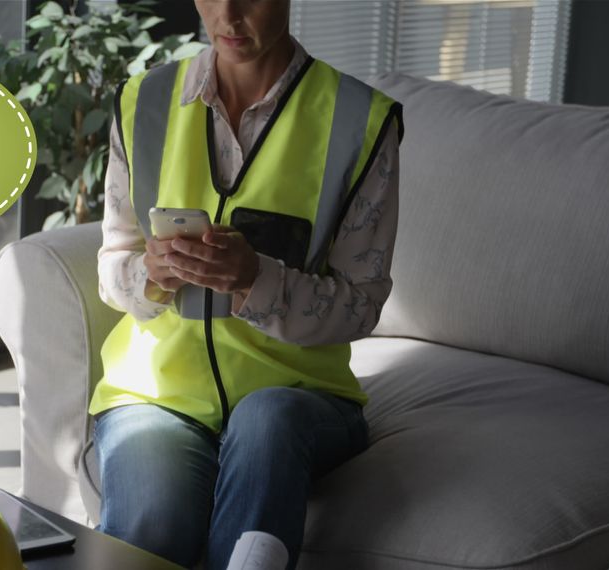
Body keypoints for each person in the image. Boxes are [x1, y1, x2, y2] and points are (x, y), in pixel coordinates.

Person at [89, 0, 404, 569]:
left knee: (265, 421)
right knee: (148, 534)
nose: (228, 16)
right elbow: (114, 271)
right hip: (156, 396)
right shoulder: (142, 103)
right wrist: (150, 274)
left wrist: (257, 279)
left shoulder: (361, 120)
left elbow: (361, 305)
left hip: (300, 395)